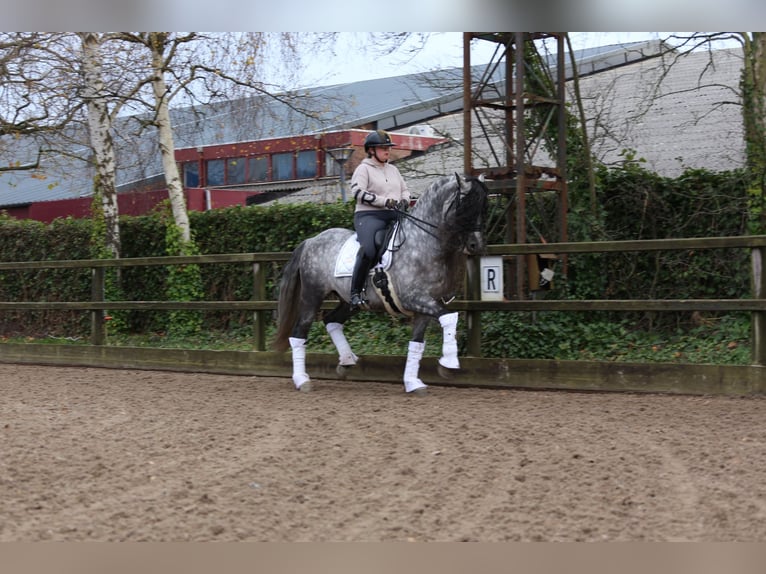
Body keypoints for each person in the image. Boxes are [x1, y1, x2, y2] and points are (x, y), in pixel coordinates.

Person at [348, 129, 410, 309]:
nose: (387, 151)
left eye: (388, 148)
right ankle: (355, 292)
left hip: (394, 214)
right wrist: (385, 201)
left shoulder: (393, 169)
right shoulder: (363, 169)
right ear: (371, 150)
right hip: (369, 215)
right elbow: (358, 193)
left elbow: (405, 189)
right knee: (369, 248)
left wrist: (404, 201)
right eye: (383, 148)